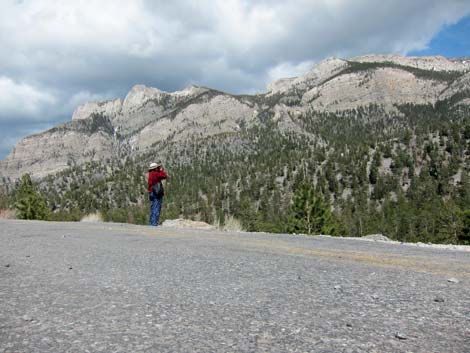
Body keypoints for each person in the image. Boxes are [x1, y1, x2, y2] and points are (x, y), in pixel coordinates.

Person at [147, 161, 168, 226]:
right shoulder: (156, 173)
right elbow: (165, 176)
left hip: (151, 192)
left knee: (152, 208)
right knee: (157, 208)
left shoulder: (150, 174)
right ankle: (154, 223)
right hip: (157, 192)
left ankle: (151, 223)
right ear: (155, 168)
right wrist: (161, 170)